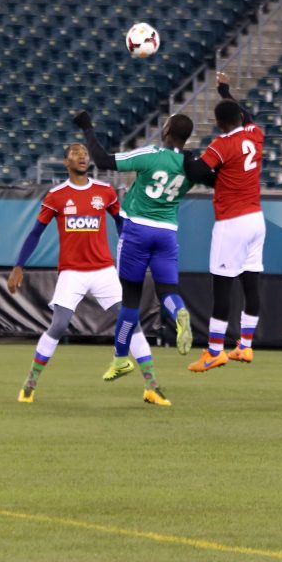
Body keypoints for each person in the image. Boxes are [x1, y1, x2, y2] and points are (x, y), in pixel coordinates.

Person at [9, 143, 171, 406]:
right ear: (65, 162)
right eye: (75, 152)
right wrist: (18, 266)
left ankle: (152, 387)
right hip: (72, 272)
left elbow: (121, 223)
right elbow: (35, 233)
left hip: (104, 270)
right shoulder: (56, 195)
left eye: (84, 152)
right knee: (59, 324)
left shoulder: (105, 192)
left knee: (131, 322)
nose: (82, 155)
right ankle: (30, 384)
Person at [72, 109, 196, 383]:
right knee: (168, 291)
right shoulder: (190, 165)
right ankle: (179, 312)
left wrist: (87, 127)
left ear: (165, 131)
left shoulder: (151, 155)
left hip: (137, 230)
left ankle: (119, 358)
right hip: (167, 233)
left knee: (129, 299)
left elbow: (103, 160)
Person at [181, 72, 265, 371]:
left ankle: (215, 350)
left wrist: (186, 155)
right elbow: (247, 114)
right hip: (256, 219)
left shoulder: (221, 144)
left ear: (219, 123)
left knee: (222, 287)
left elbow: (196, 173)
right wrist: (225, 91)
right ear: (241, 117)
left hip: (232, 222)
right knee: (251, 283)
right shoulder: (255, 134)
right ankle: (245, 346)